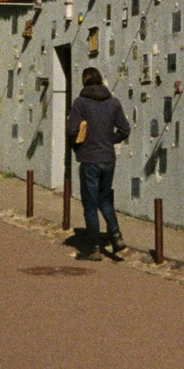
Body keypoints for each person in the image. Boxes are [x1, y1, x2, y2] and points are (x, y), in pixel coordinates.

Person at [66, 66, 130, 260]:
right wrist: (110, 140)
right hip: (108, 159)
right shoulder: (113, 102)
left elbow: (71, 130)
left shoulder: (80, 103)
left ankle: (94, 248)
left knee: (90, 205)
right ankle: (116, 237)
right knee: (104, 199)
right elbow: (125, 130)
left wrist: (78, 147)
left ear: (84, 81)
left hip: (89, 159)